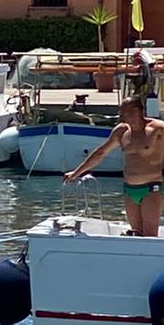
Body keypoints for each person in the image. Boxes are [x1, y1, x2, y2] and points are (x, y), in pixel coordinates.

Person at [65, 97, 164, 235]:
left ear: (136, 111)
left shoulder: (157, 129)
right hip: (129, 190)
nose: (121, 114)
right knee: (136, 233)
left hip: (151, 189)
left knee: (149, 235)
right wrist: (76, 173)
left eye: (123, 111)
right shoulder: (121, 131)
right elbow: (100, 153)